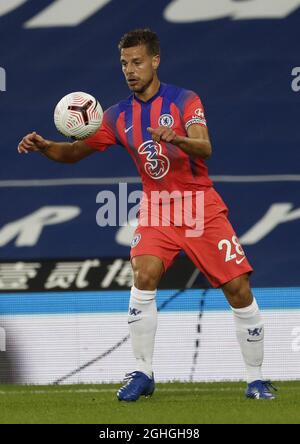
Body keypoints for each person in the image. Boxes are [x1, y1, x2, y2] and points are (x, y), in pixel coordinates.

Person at [18, 29, 276, 401]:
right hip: (157, 208)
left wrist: (176, 139)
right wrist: (46, 147)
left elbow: (205, 148)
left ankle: (256, 379)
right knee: (144, 274)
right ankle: (143, 372)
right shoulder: (116, 115)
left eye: (137, 62)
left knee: (238, 290)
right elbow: (73, 153)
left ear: (155, 61)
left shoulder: (184, 100)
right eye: (124, 63)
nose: (129, 70)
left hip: (198, 205)